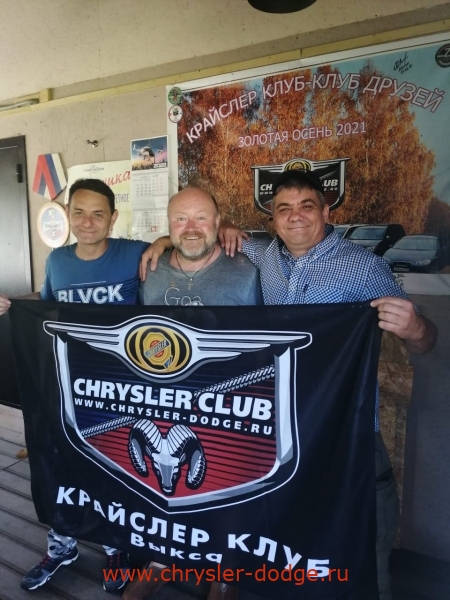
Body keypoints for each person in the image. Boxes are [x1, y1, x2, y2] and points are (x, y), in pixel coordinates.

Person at [140, 170, 437, 600]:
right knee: (286, 541)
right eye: (284, 209)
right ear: (273, 220)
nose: (295, 217)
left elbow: (425, 342)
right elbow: (197, 234)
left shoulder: (365, 267)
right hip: (278, 433)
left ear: (326, 212)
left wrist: (416, 329)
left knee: (364, 545)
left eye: (306, 206)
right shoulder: (261, 255)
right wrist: (162, 243)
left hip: (344, 431)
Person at [0, 178, 150, 593]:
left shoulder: (135, 252)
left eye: (98, 214)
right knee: (63, 466)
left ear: (113, 218)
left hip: (120, 388)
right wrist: (14, 303)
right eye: (79, 212)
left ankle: (116, 546)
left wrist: (167, 240)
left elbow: (182, 245)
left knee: (115, 469)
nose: (87, 222)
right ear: (67, 215)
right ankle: (61, 544)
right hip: (69, 384)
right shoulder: (57, 259)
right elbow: (50, 302)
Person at [124, 186, 262, 600]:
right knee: (165, 485)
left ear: (219, 223)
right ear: (167, 226)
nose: (191, 227)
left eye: (201, 218)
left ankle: (222, 572)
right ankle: (160, 560)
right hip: (167, 406)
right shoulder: (150, 270)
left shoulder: (247, 271)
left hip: (228, 408)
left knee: (226, 490)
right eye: (180, 219)